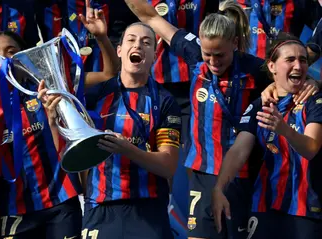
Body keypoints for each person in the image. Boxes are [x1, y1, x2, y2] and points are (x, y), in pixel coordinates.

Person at [123, 0, 319, 238]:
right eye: (208, 55)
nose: (213, 62)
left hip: (242, 175)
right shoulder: (192, 50)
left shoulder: (254, 68)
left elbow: (289, 77)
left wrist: (310, 82)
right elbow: (151, 17)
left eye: (220, 55)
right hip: (202, 172)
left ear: (235, 44)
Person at [0, 1, 119, 238]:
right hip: (14, 210)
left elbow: (109, 74)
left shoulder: (50, 85)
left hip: (61, 203)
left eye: (11, 51)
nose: (2, 58)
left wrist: (102, 38)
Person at [39, 22, 182, 239]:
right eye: (131, 40)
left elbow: (168, 166)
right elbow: (71, 153)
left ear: (154, 54)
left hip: (149, 208)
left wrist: (128, 149)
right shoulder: (95, 96)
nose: (138, 46)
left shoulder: (164, 101)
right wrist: (52, 120)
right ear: (120, 51)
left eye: (146, 43)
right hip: (101, 208)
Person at [212, 33, 322, 239]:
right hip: (264, 205)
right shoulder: (260, 104)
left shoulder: (315, 101)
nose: (298, 66)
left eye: (303, 60)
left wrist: (284, 130)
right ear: (272, 67)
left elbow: (311, 148)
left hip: (305, 209)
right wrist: (219, 188)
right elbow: (238, 151)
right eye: (290, 60)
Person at [235, 0, 322, 61]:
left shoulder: (300, 3)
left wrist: (312, 51)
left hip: (284, 78)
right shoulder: (234, 3)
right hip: (245, 79)